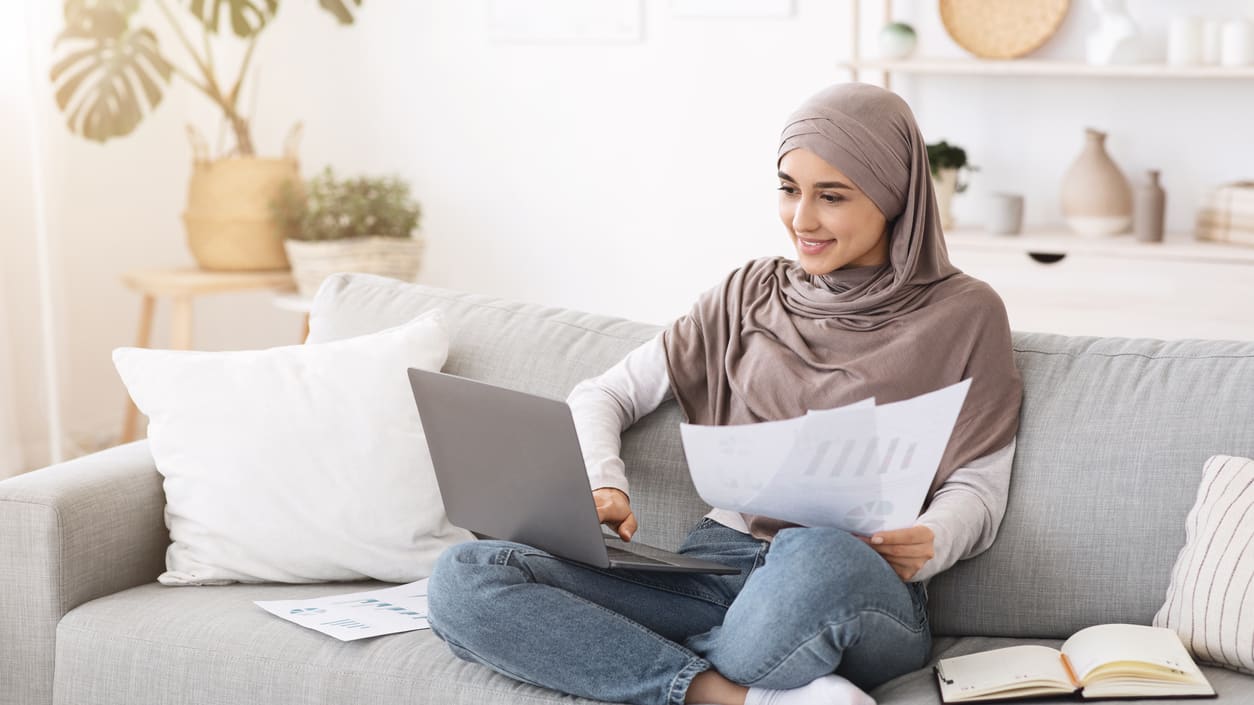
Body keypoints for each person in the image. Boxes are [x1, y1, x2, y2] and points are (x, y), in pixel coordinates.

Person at [425, 82, 1023, 705]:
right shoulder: (746, 295)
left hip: (854, 577)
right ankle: (736, 696)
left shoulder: (964, 313)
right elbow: (602, 394)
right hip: (714, 570)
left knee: (812, 552)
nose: (802, 219)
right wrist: (604, 482)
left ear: (895, 196)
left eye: (832, 196)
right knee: (466, 576)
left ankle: (632, 657)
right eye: (789, 189)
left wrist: (931, 540)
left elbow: (978, 485)